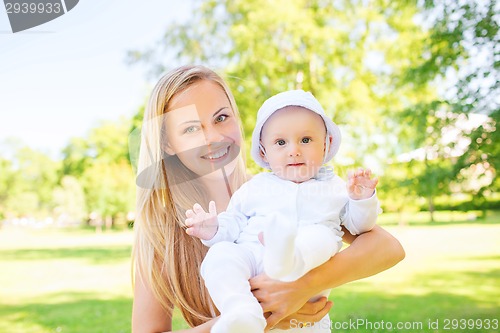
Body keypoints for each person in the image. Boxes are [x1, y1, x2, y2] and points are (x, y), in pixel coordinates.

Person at [131, 65, 405, 333]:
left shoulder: (283, 188)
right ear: (167, 144)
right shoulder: (162, 230)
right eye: (191, 129)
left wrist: (301, 287)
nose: (213, 137)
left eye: (221, 118)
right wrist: (258, 316)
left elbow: (388, 248)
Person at [185, 90, 380, 333]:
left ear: (326, 144)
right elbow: (232, 223)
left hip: (305, 280)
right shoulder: (254, 188)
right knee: (220, 255)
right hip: (253, 260)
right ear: (264, 152)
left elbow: (360, 226)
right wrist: (212, 228)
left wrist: (362, 199)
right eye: (281, 142)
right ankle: (241, 312)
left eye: (306, 140)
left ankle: (287, 257)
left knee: (320, 236)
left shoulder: (335, 188)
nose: (294, 150)